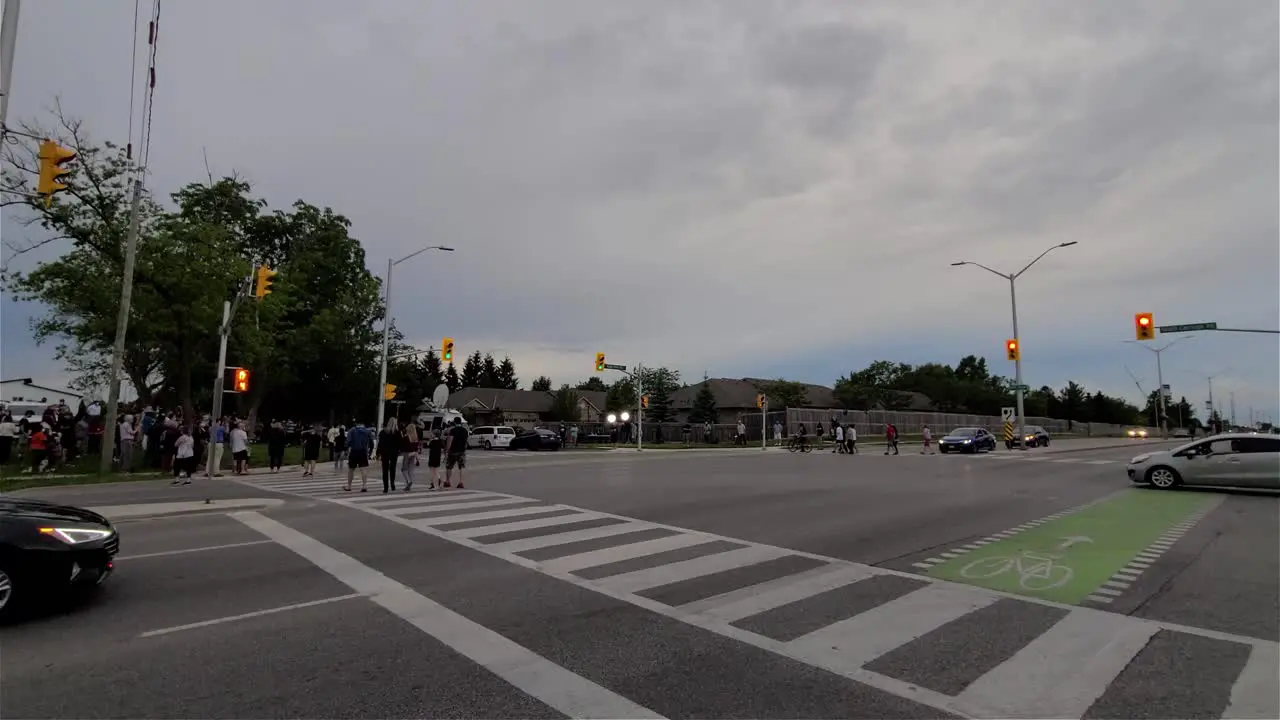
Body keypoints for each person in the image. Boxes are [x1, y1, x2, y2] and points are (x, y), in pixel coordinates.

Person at [343, 421, 373, 492]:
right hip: (363, 451)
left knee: (351, 469)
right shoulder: (367, 431)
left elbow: (348, 441)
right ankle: (364, 485)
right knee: (363, 469)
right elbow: (370, 442)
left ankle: (349, 486)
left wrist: (346, 450)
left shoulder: (352, 430)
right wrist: (369, 450)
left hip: (354, 451)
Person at [443, 417, 469, 489]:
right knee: (461, 467)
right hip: (462, 451)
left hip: (453, 451)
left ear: (454, 422)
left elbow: (449, 441)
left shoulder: (452, 430)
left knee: (449, 466)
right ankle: (461, 482)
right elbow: (466, 441)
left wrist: (447, 450)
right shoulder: (465, 431)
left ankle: (448, 481)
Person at [377, 418, 400, 494]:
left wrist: (378, 453)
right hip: (394, 453)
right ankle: (392, 484)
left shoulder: (383, 432)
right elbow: (400, 444)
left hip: (385, 453)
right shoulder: (397, 433)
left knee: (385, 470)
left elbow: (380, 444)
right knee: (393, 469)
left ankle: (385, 487)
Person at [399, 420, 419, 491]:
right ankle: (409, 485)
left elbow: (402, 447)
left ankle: (409, 481)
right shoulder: (416, 437)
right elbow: (416, 448)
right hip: (413, 454)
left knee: (404, 469)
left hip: (407, 453)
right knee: (410, 470)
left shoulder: (406, 437)